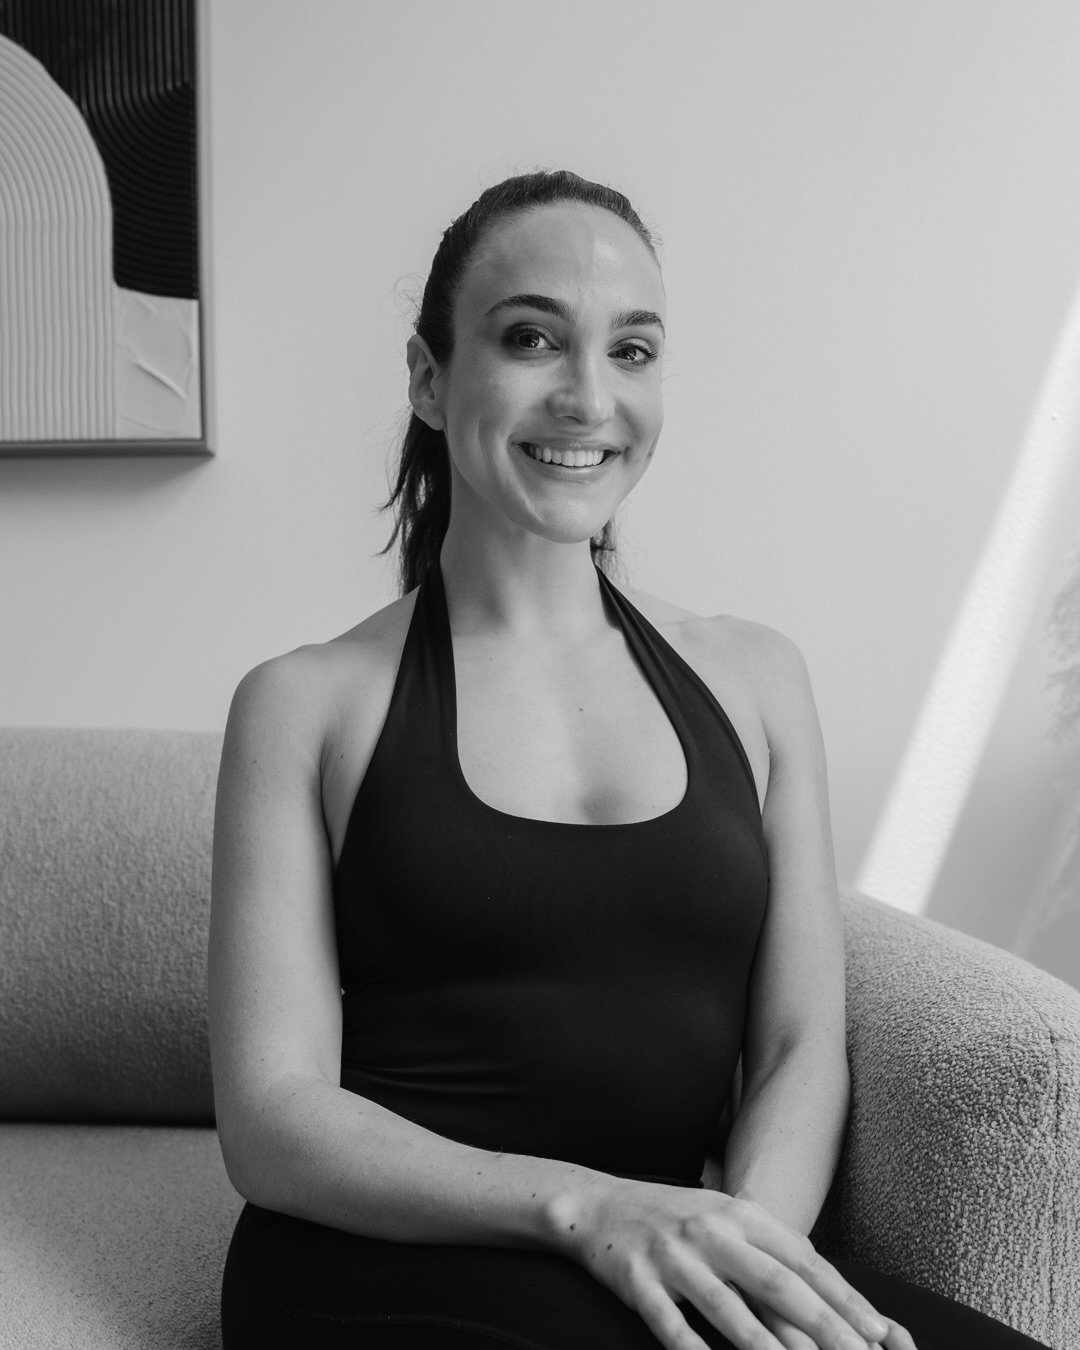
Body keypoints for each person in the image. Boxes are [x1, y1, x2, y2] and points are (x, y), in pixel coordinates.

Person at [209, 170, 1051, 1350]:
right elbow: (272, 1118)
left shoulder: (755, 678)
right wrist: (595, 1211)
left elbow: (800, 1046)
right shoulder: (303, 704)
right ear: (428, 378)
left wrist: (743, 1258)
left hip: (673, 1257)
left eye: (633, 351)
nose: (588, 397)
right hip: (381, 1260)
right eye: (531, 339)